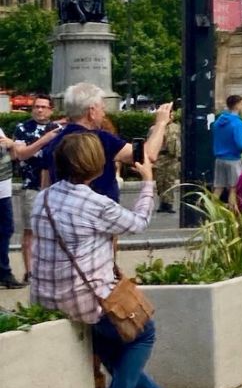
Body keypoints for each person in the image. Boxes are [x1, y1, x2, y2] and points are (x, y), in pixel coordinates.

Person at [30, 132, 185, 388]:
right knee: (143, 333)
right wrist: (148, 182)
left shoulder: (43, 198)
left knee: (112, 347)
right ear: (97, 166)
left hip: (47, 295)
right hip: (85, 298)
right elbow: (138, 223)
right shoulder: (95, 204)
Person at [37, 84, 172, 203]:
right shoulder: (100, 138)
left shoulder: (54, 141)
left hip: (63, 213)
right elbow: (147, 155)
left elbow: (45, 186)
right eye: (102, 108)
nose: (104, 113)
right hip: (100, 214)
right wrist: (160, 123)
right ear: (92, 111)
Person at [5, 93, 61, 283]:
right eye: (36, 106)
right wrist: (44, 140)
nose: (39, 110)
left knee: (55, 231)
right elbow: (21, 154)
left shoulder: (59, 129)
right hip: (32, 185)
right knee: (30, 230)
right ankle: (30, 272)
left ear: (51, 110)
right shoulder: (23, 128)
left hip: (57, 188)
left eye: (43, 107)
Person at [211, 93, 242, 203]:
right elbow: (241, 144)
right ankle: (231, 216)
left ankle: (210, 212)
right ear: (237, 105)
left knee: (218, 188)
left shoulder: (218, 122)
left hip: (219, 158)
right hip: (233, 159)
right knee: (233, 189)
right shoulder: (238, 123)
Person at [153, 107, 182, 213]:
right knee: (160, 181)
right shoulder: (155, 128)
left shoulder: (177, 127)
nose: (171, 117)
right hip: (161, 157)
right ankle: (162, 201)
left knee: (170, 180)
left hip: (172, 157)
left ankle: (168, 203)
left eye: (172, 115)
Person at [0, 131, 16, 287]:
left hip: (4, 189)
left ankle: (4, 272)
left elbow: (12, 154)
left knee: (6, 230)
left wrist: (11, 144)